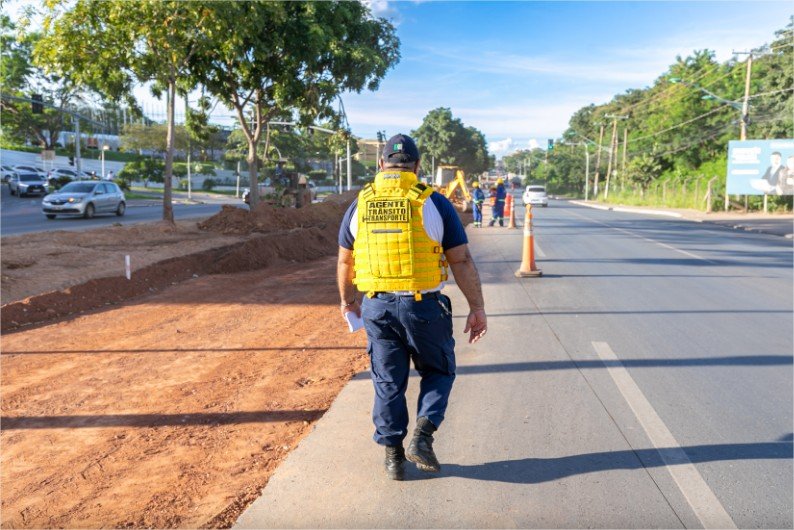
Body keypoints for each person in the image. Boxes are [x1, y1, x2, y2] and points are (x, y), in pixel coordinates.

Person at [337, 133, 487, 481]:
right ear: (417, 167)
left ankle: (393, 457)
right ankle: (422, 435)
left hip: (377, 307)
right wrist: (476, 307)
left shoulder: (360, 204)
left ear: (381, 164)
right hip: (423, 307)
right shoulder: (433, 202)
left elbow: (346, 261)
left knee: (388, 380)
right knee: (439, 371)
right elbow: (461, 260)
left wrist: (348, 302)